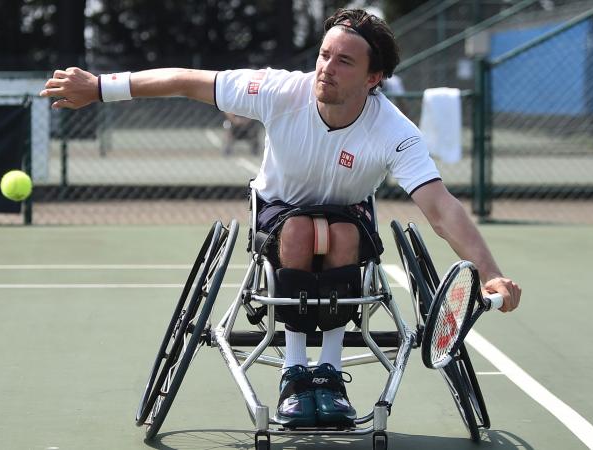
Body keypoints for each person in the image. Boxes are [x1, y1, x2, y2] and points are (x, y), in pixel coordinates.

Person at [39, 8, 521, 429]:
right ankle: (295, 372)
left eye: (344, 61)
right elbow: (187, 80)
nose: (326, 69)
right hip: (278, 214)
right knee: (299, 229)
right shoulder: (278, 91)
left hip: (349, 222)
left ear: (373, 79)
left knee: (337, 232)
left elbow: (440, 207)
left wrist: (490, 272)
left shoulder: (396, 130)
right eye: (324, 55)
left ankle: (328, 375)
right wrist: (100, 88)